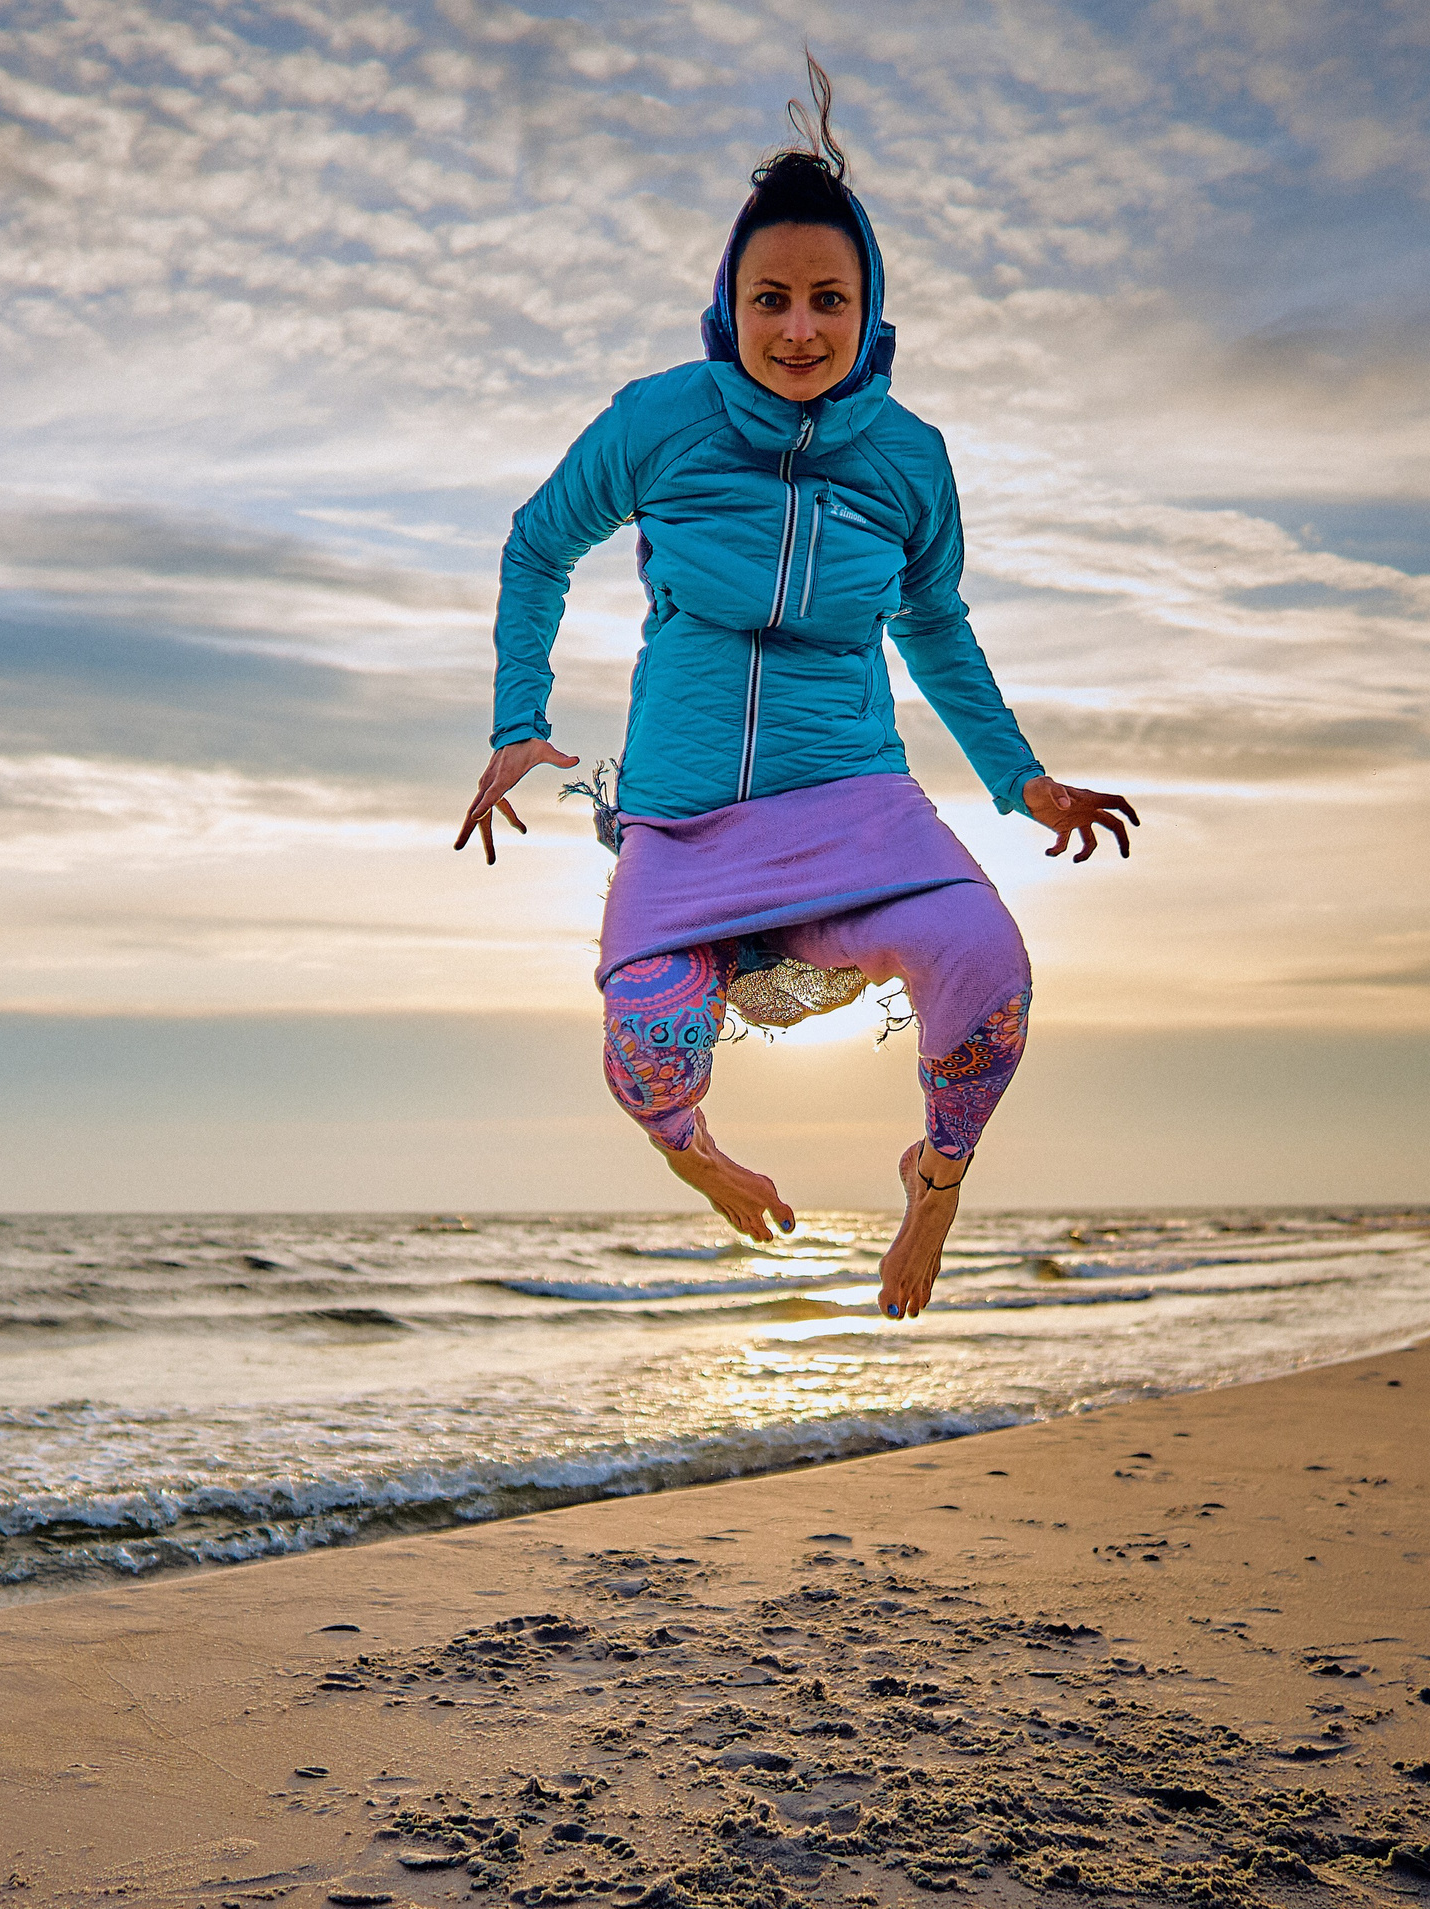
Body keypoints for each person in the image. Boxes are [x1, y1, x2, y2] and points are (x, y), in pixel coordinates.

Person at [453, 64, 1137, 1321]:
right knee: (647, 1055)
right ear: (730, 306)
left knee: (989, 974)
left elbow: (935, 626)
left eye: (830, 300)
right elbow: (536, 545)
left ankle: (933, 1180)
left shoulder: (910, 459)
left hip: (856, 810)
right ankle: (704, 1160)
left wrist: (1019, 779)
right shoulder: (658, 422)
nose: (800, 329)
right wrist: (517, 721)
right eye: (771, 300)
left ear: (868, 310)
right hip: (687, 817)